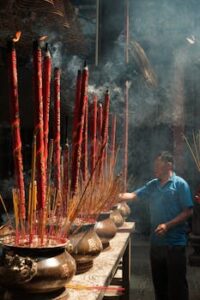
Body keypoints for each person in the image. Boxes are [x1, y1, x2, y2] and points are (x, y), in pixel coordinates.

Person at [119, 151, 193, 300]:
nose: (155, 169)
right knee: (160, 287)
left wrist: (168, 225)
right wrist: (116, 196)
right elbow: (133, 195)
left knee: (177, 287)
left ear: (168, 166)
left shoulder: (180, 185)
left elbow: (188, 211)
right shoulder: (153, 184)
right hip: (156, 245)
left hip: (174, 245)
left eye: (158, 165)